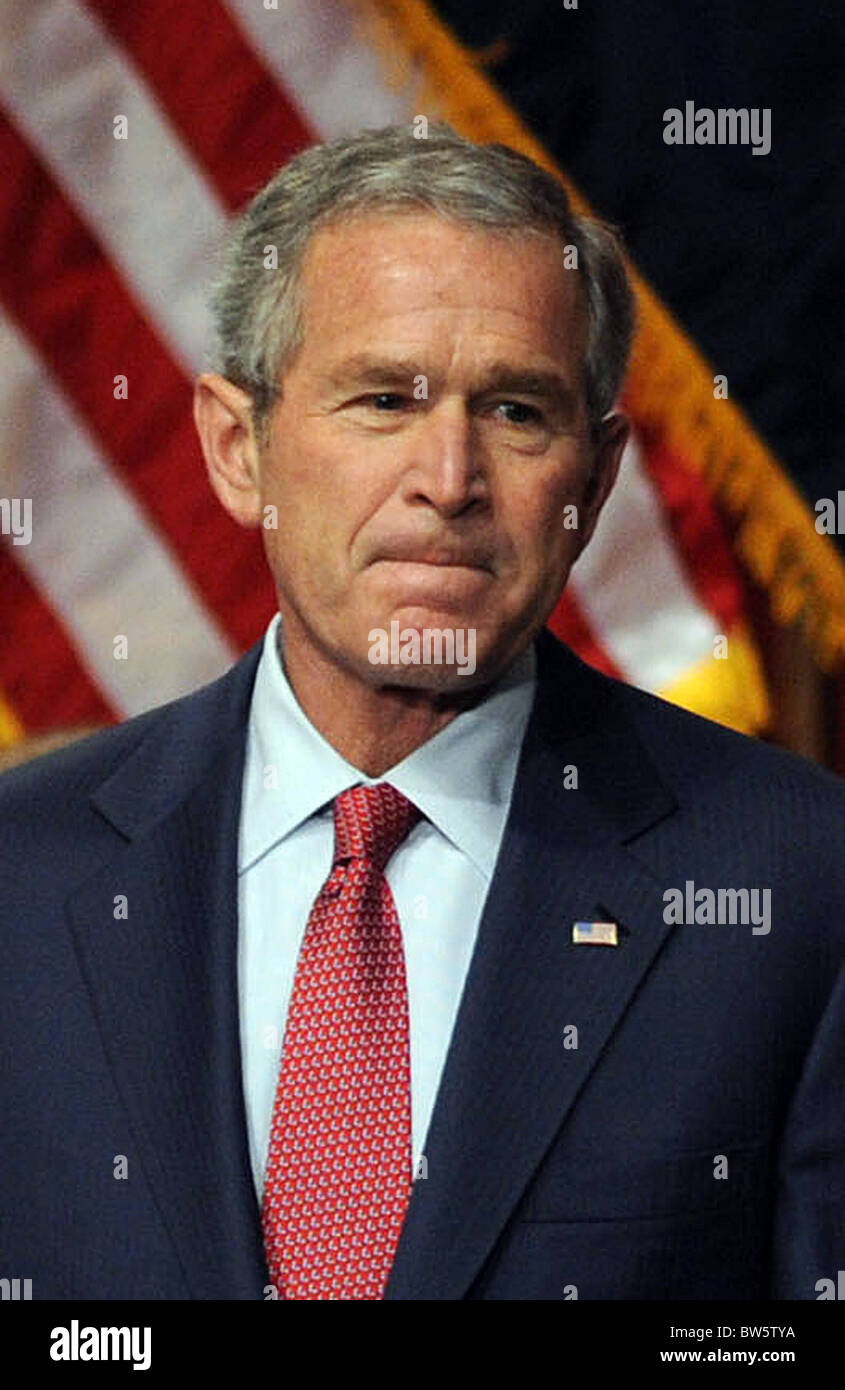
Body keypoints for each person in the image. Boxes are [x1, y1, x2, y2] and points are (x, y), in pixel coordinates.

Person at [1, 123, 842, 1302]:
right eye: (383, 399)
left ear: (591, 485)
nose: (448, 479)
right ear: (237, 450)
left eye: (513, 411)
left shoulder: (799, 883)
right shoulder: (20, 880)